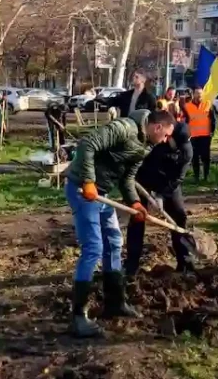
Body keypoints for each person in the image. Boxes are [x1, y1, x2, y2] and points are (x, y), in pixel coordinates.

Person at [64, 114, 148, 337]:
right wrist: (89, 180)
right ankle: (78, 317)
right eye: (167, 133)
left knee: (114, 242)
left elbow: (127, 179)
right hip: (83, 190)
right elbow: (88, 144)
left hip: (101, 195)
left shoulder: (144, 146)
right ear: (158, 126)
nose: (168, 138)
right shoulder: (125, 128)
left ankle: (115, 303)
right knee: (93, 249)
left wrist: (135, 203)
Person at [125, 109, 196, 276]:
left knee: (179, 217)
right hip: (143, 175)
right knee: (137, 216)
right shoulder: (149, 131)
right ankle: (131, 265)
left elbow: (179, 176)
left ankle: (185, 263)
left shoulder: (184, 147)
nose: (164, 139)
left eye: (168, 137)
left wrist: (161, 195)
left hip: (168, 181)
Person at [183, 86, 216, 182]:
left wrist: (212, 132)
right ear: (193, 94)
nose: (199, 95)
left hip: (205, 136)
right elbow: (185, 121)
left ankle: (206, 176)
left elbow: (213, 120)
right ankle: (196, 177)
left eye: (201, 93)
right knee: (195, 157)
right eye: (197, 93)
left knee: (206, 157)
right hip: (193, 136)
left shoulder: (208, 105)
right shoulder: (187, 106)